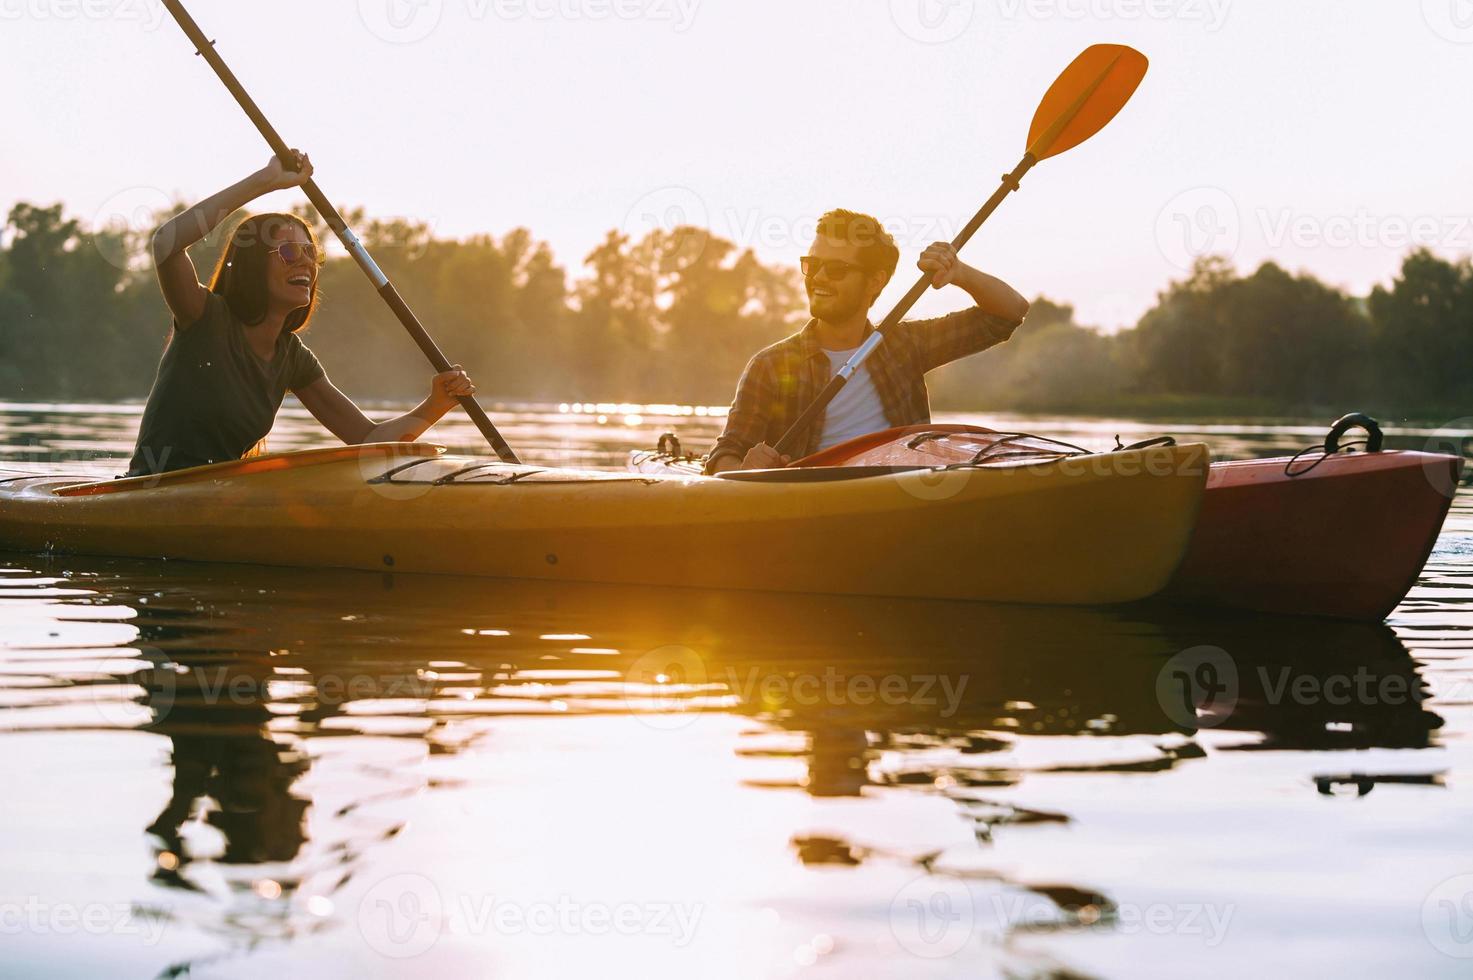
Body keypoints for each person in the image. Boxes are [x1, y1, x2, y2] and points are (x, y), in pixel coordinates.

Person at [126, 151, 475, 477]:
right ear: (252, 264)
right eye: (290, 252)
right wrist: (265, 181)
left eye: (312, 253)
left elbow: (367, 439)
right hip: (150, 490)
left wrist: (436, 404)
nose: (307, 262)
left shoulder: (292, 358)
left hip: (218, 499)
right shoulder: (204, 316)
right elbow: (165, 245)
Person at [705, 209, 1029, 474]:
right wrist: (744, 470)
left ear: (875, 281)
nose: (818, 277)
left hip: (902, 498)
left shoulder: (906, 345)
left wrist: (958, 272)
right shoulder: (770, 366)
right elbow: (725, 455)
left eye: (836, 269)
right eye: (813, 265)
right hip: (811, 504)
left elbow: (1009, 313)